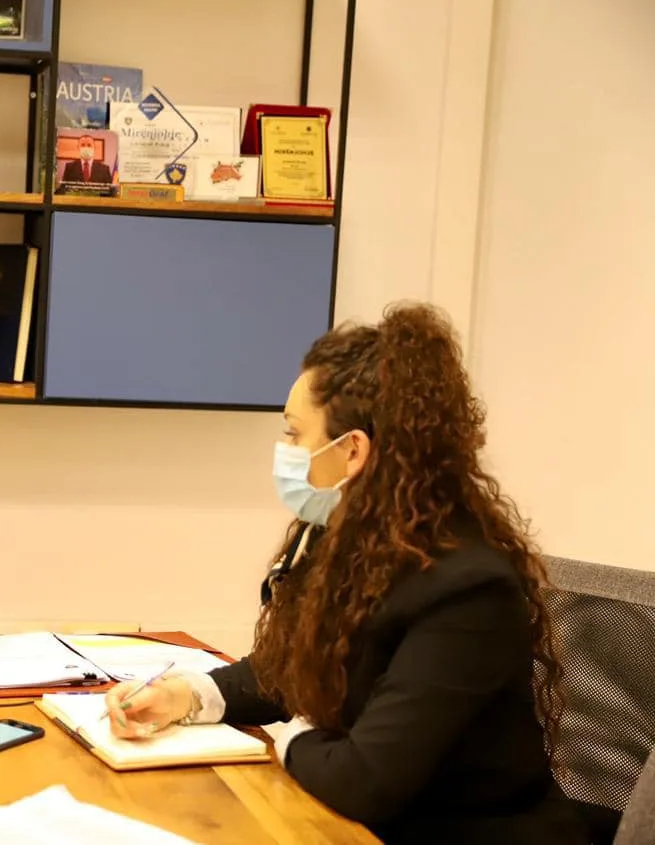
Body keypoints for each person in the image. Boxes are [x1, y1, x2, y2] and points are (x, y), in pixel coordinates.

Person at [105, 304, 587, 845]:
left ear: (353, 449)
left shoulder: (469, 591)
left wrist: (288, 736)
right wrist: (186, 697)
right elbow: (288, 669)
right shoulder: (353, 540)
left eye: (294, 434)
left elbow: (365, 780)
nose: (285, 452)